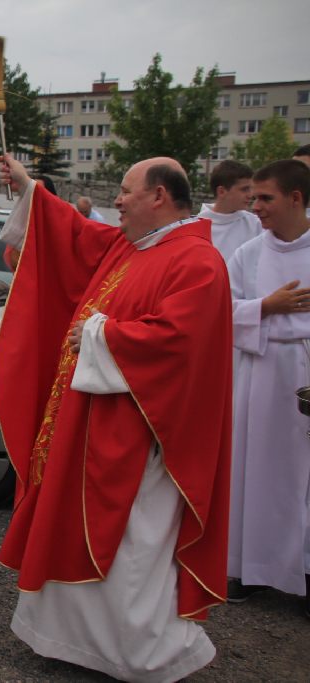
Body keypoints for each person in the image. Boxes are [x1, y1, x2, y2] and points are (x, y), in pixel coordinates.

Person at [0, 153, 232, 681]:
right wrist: (32, 188)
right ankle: (64, 637)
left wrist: (102, 336)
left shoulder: (197, 262)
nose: (116, 201)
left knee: (130, 546)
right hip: (85, 428)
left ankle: (136, 655)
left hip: (141, 441)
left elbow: (180, 344)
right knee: (71, 524)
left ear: (160, 197)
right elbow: (75, 239)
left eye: (126, 191)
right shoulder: (134, 244)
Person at [225, 159, 310, 619]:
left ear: (296, 198)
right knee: (254, 472)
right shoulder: (250, 253)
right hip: (258, 373)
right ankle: (249, 568)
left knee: (305, 480)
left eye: (266, 198)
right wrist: (267, 306)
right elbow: (222, 307)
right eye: (253, 197)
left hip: (305, 373)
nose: (256, 207)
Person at [197, 160, 261, 263]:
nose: (250, 195)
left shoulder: (256, 225)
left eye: (251, 189)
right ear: (221, 191)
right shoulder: (196, 227)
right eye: (244, 189)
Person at [3, 176, 57, 273]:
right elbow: (15, 261)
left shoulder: (57, 226)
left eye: (37, 192)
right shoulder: (22, 223)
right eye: (30, 191)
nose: (32, 196)